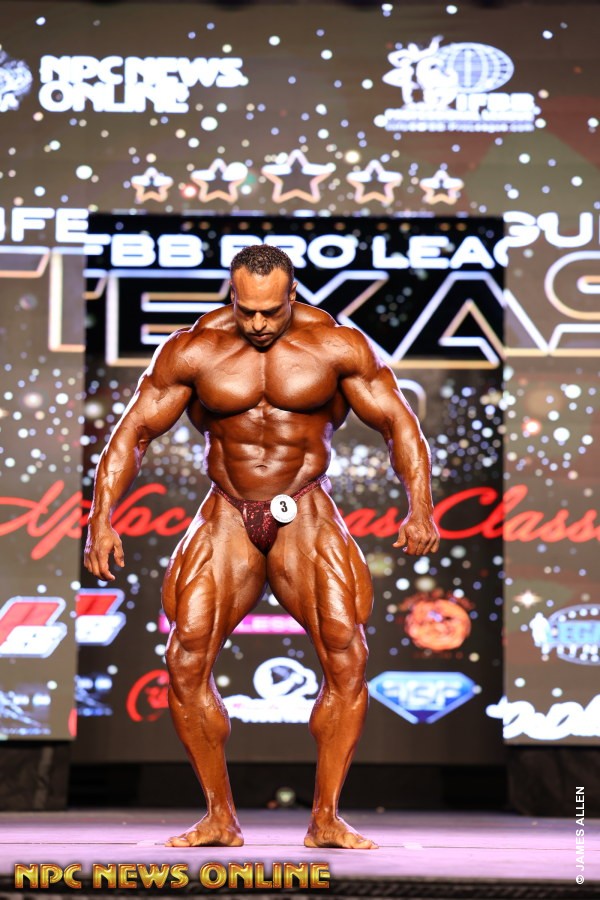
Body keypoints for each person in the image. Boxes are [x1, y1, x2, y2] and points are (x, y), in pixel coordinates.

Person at [84, 244, 440, 850]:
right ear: (232, 295)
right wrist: (101, 518)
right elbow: (134, 431)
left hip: (305, 507)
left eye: (270, 312)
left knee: (346, 655)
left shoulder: (337, 345)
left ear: (292, 295)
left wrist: (421, 506)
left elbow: (398, 423)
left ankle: (326, 818)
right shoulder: (193, 349)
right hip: (227, 509)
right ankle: (218, 817)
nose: (257, 323)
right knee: (185, 658)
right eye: (246, 310)